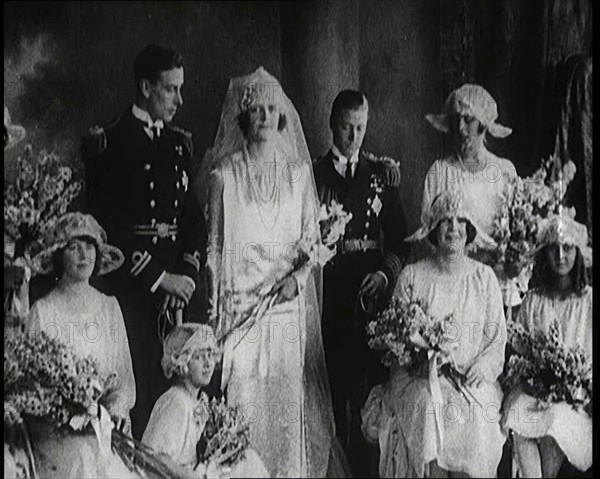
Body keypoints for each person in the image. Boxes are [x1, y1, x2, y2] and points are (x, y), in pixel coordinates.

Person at [199, 66, 347, 478]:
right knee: (242, 403)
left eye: (271, 109)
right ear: (243, 117)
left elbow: (311, 243)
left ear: (282, 117)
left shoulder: (299, 176)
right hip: (239, 313)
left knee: (284, 409)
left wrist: (296, 281)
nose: (264, 117)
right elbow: (213, 248)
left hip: (284, 311)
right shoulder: (222, 175)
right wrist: (215, 312)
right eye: (256, 110)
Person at [81, 44, 207, 439]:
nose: (179, 100)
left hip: (177, 296)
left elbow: (193, 219)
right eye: (171, 89)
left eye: (180, 89)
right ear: (146, 87)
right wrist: (158, 278)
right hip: (131, 291)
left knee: (178, 400)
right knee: (138, 393)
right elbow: (105, 228)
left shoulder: (179, 145)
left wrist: (184, 275)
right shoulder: (110, 144)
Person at [362, 188, 507, 478]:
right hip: (419, 378)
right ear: (433, 230)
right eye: (445, 221)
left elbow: (495, 339)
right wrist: (418, 362)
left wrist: (483, 367)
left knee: (476, 419)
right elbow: (398, 338)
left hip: (470, 377)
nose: (453, 228)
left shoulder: (484, 278)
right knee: (429, 408)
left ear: (469, 229)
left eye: (459, 220)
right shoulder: (413, 276)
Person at [312, 89, 408, 473]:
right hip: (330, 295)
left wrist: (385, 274)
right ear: (333, 125)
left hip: (372, 297)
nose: (354, 138)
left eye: (361, 128)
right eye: (347, 128)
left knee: (371, 395)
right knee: (333, 391)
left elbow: (401, 239)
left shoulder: (381, 176)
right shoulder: (315, 175)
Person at [25, 212, 137, 478]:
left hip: (105, 428)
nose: (83, 256)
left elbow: (123, 380)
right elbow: (29, 390)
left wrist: (116, 409)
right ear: (58, 256)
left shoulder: (110, 308)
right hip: (57, 436)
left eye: (89, 247)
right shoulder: (43, 311)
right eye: (73, 248)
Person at [501, 210, 592, 478]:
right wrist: (535, 381)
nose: (561, 257)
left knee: (555, 420)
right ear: (544, 253)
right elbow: (522, 354)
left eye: (567, 249)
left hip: (576, 398)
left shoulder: (588, 301)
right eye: (553, 249)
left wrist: (576, 384)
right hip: (535, 393)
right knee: (519, 418)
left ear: (578, 253)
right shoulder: (534, 301)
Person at [421, 84, 521, 307]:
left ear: (483, 125)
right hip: (454, 286)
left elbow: (520, 234)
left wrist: (512, 260)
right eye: (455, 120)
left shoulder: (504, 172)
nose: (460, 128)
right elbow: (427, 235)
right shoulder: (439, 172)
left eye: (468, 120)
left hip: (497, 282)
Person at [142, 323, 269, 478]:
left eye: (210, 355)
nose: (208, 364)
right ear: (182, 362)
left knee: (248, 461)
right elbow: (154, 458)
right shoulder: (176, 402)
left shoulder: (195, 401)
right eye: (199, 357)